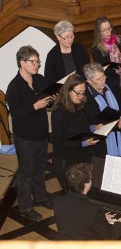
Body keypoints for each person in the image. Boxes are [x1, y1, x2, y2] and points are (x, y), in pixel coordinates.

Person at [6, 46, 54, 222]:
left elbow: (47, 102)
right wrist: (35, 106)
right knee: (26, 174)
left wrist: (51, 99)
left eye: (38, 61)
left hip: (41, 133)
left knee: (40, 170)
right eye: (33, 62)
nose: (37, 65)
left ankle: (40, 197)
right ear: (22, 62)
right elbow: (16, 114)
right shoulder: (14, 87)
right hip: (25, 137)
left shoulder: (40, 79)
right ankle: (25, 208)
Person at [54, 163, 121, 240]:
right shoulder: (94, 211)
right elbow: (110, 236)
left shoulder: (58, 201)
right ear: (86, 185)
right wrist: (120, 223)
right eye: (90, 179)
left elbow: (76, 220)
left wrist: (100, 220)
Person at [51, 73, 99, 193]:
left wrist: (93, 128)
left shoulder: (79, 104)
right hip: (66, 159)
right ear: (68, 90)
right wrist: (84, 143)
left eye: (83, 93)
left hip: (80, 156)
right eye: (78, 93)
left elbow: (80, 126)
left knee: (84, 193)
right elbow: (59, 142)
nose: (81, 96)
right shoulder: (59, 112)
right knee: (72, 195)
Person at [82, 63, 121, 159]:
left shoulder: (110, 87)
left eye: (103, 77)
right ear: (89, 81)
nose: (103, 81)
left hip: (118, 134)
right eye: (98, 79)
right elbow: (93, 122)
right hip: (100, 144)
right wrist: (117, 126)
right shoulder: (86, 97)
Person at [91, 16, 121, 103]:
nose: (108, 32)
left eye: (109, 28)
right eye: (105, 30)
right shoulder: (96, 49)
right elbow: (102, 70)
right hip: (111, 82)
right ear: (99, 32)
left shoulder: (119, 41)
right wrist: (117, 71)